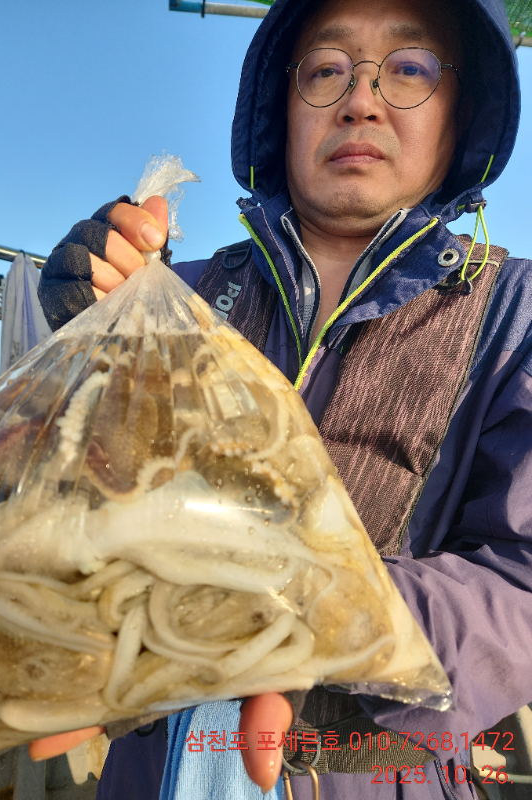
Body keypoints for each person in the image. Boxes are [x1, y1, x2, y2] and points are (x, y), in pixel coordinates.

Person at [34, 0, 532, 797]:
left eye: (409, 68)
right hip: (151, 760)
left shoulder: (516, 314)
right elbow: (70, 490)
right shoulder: (182, 291)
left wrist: (328, 612)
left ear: (461, 114)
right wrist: (79, 329)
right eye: (327, 69)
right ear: (281, 108)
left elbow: (521, 583)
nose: (360, 99)